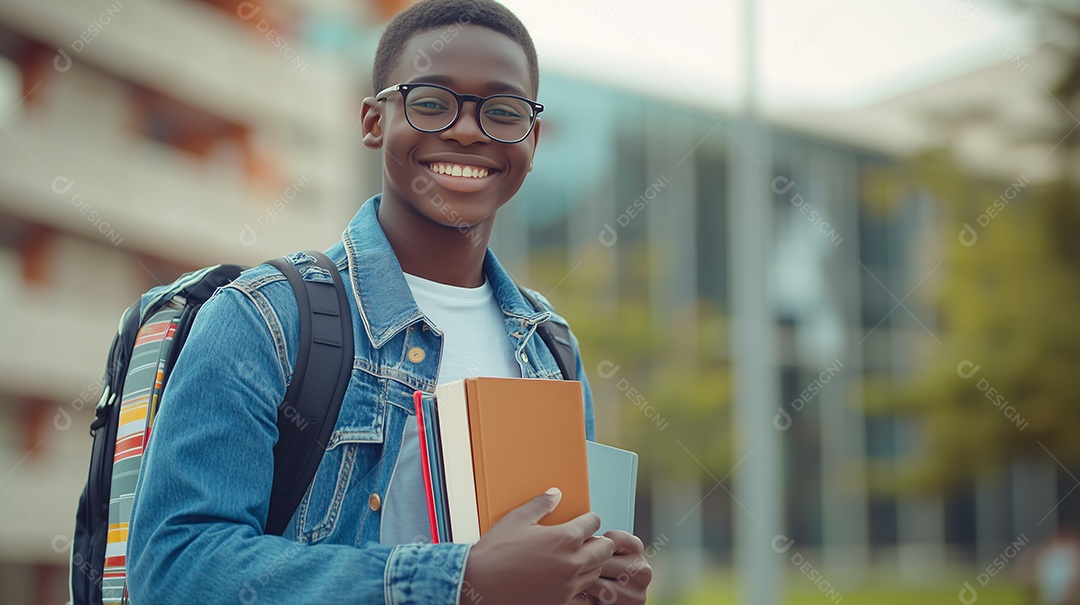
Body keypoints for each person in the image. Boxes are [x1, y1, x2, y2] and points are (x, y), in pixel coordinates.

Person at [127, 1, 653, 603]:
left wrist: (596, 581)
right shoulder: (264, 320)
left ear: (531, 139)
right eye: (431, 102)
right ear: (374, 120)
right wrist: (461, 580)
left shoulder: (550, 346)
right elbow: (172, 571)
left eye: (503, 112)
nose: (467, 129)